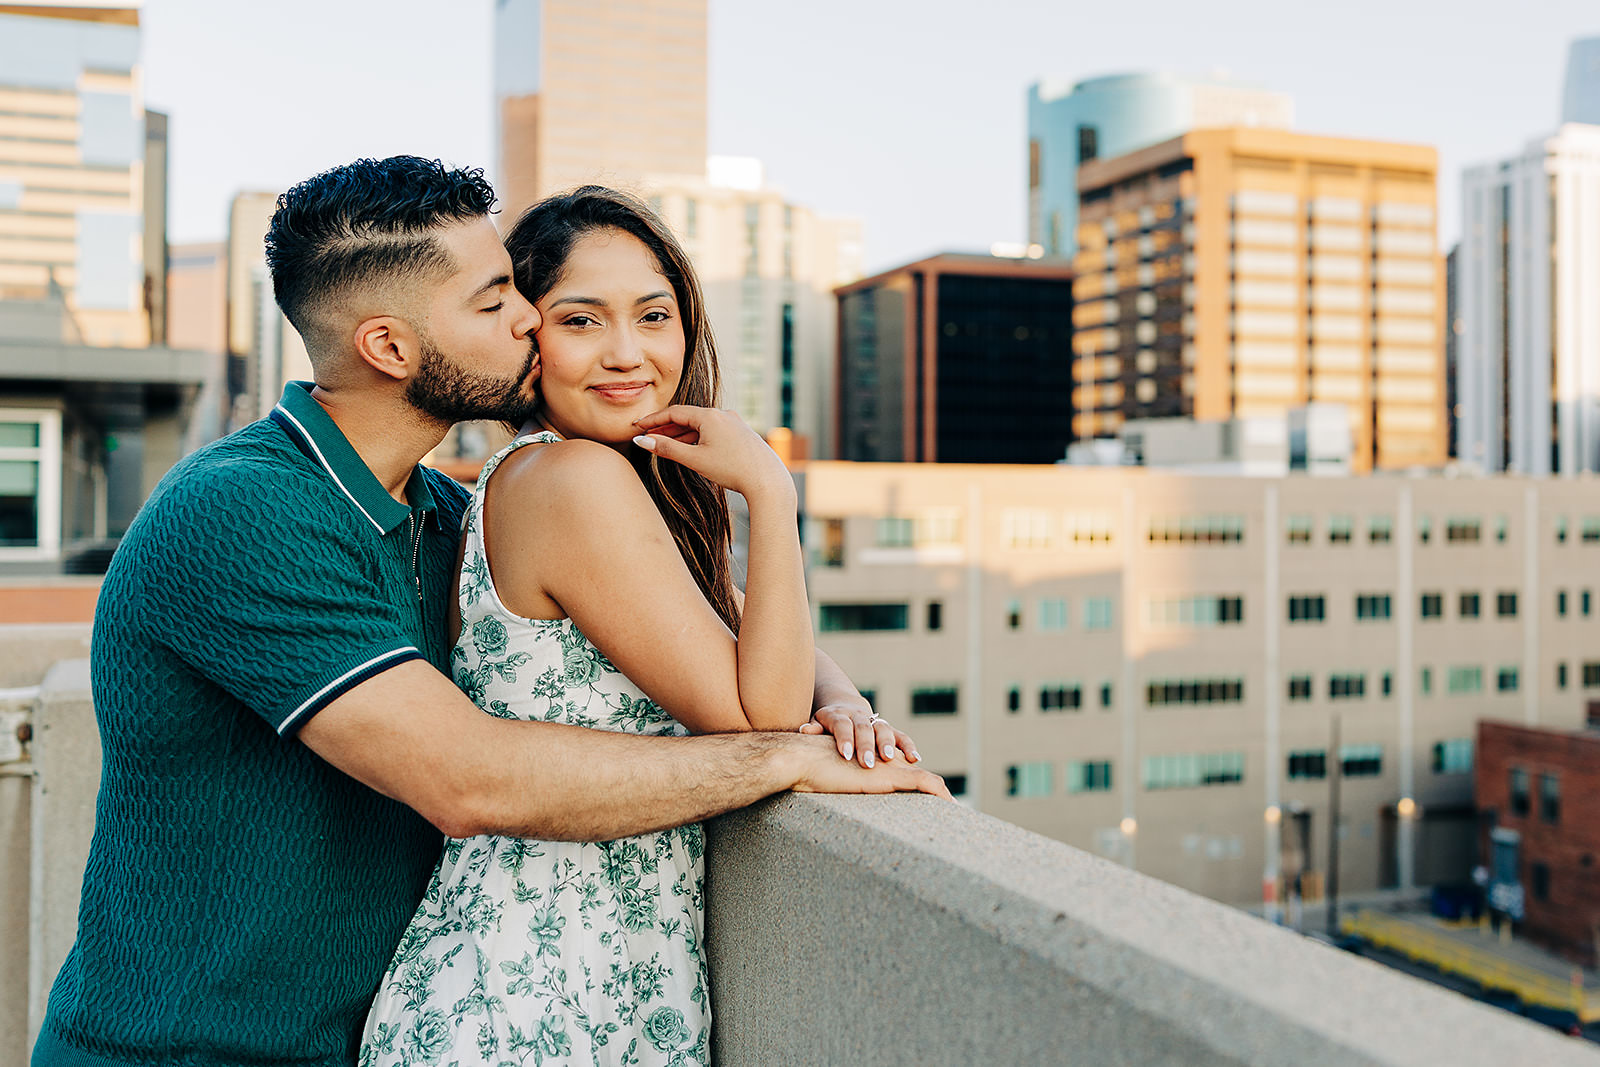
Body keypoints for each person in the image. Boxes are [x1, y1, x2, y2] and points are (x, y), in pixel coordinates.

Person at [32, 157, 946, 1067]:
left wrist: (844, 708)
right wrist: (781, 754)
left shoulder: (440, 512)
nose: (529, 321)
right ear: (390, 348)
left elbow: (723, 616)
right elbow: (471, 781)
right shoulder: (241, 512)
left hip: (385, 1029)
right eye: (495, 300)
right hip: (182, 1053)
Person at [360, 186, 853, 1066]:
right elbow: (761, 717)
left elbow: (740, 628)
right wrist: (771, 494)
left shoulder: (559, 476)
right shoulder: (571, 481)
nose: (628, 353)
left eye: (653, 315)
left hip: (568, 978)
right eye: (582, 320)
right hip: (538, 996)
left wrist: (843, 695)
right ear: (528, 337)